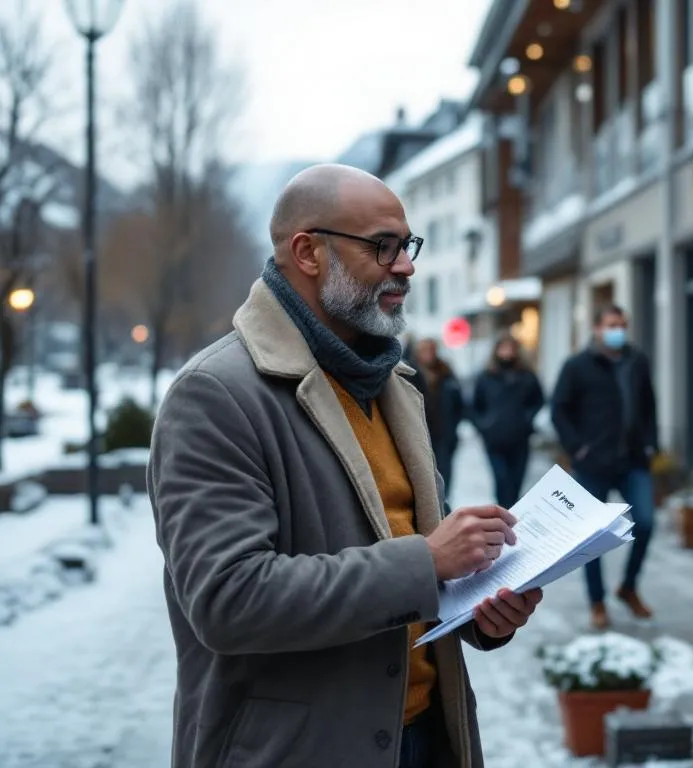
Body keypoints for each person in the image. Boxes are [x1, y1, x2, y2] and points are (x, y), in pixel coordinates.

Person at [148, 163, 543, 768]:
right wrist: (429, 560)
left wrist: (481, 608)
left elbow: (410, 570)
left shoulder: (393, 386)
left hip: (427, 739)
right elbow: (228, 600)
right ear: (308, 252)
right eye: (383, 247)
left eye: (406, 246)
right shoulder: (215, 394)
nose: (406, 267)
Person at [551, 305, 659, 630]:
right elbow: (559, 409)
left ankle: (628, 587)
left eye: (622, 325)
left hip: (633, 459)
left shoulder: (636, 361)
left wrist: (652, 443)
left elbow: (649, 405)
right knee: (592, 536)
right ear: (597, 328)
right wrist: (577, 448)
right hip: (593, 463)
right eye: (612, 325)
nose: (618, 330)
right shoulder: (578, 365)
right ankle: (597, 602)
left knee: (647, 521)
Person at [471, 333, 545, 508]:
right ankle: (503, 519)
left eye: (510, 348)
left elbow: (539, 400)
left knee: (516, 483)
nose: (507, 352)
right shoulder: (486, 376)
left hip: (519, 439)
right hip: (494, 440)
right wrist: (484, 425)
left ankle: (514, 523)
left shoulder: (527, 376)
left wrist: (526, 420)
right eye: (503, 348)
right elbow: (474, 406)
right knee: (501, 482)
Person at [415, 338, 466, 506]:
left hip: (445, 435)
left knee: (445, 475)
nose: (429, 354)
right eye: (425, 350)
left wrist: (454, 425)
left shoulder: (447, 374)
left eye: (431, 350)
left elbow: (459, 404)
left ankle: (444, 507)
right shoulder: (411, 373)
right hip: (421, 435)